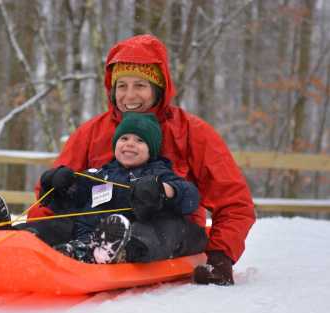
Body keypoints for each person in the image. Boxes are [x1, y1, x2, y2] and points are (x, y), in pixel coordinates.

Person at [26, 34, 256, 285]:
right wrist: (55, 186)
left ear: (157, 89)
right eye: (122, 86)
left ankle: (114, 248)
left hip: (163, 233)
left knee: (155, 231)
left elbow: (234, 202)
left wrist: (220, 257)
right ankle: (18, 240)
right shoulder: (92, 133)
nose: (130, 96)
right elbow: (52, 201)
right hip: (92, 227)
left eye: (140, 86)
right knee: (55, 225)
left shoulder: (191, 132)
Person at [0, 112, 208, 265]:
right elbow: (68, 203)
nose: (129, 144)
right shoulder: (100, 173)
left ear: (151, 150)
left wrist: (163, 190)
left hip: (122, 236)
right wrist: (58, 185)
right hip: (83, 230)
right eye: (124, 138)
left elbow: (189, 196)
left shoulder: (158, 174)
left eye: (139, 141)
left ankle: (92, 254)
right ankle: (7, 238)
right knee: (60, 222)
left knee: (154, 230)